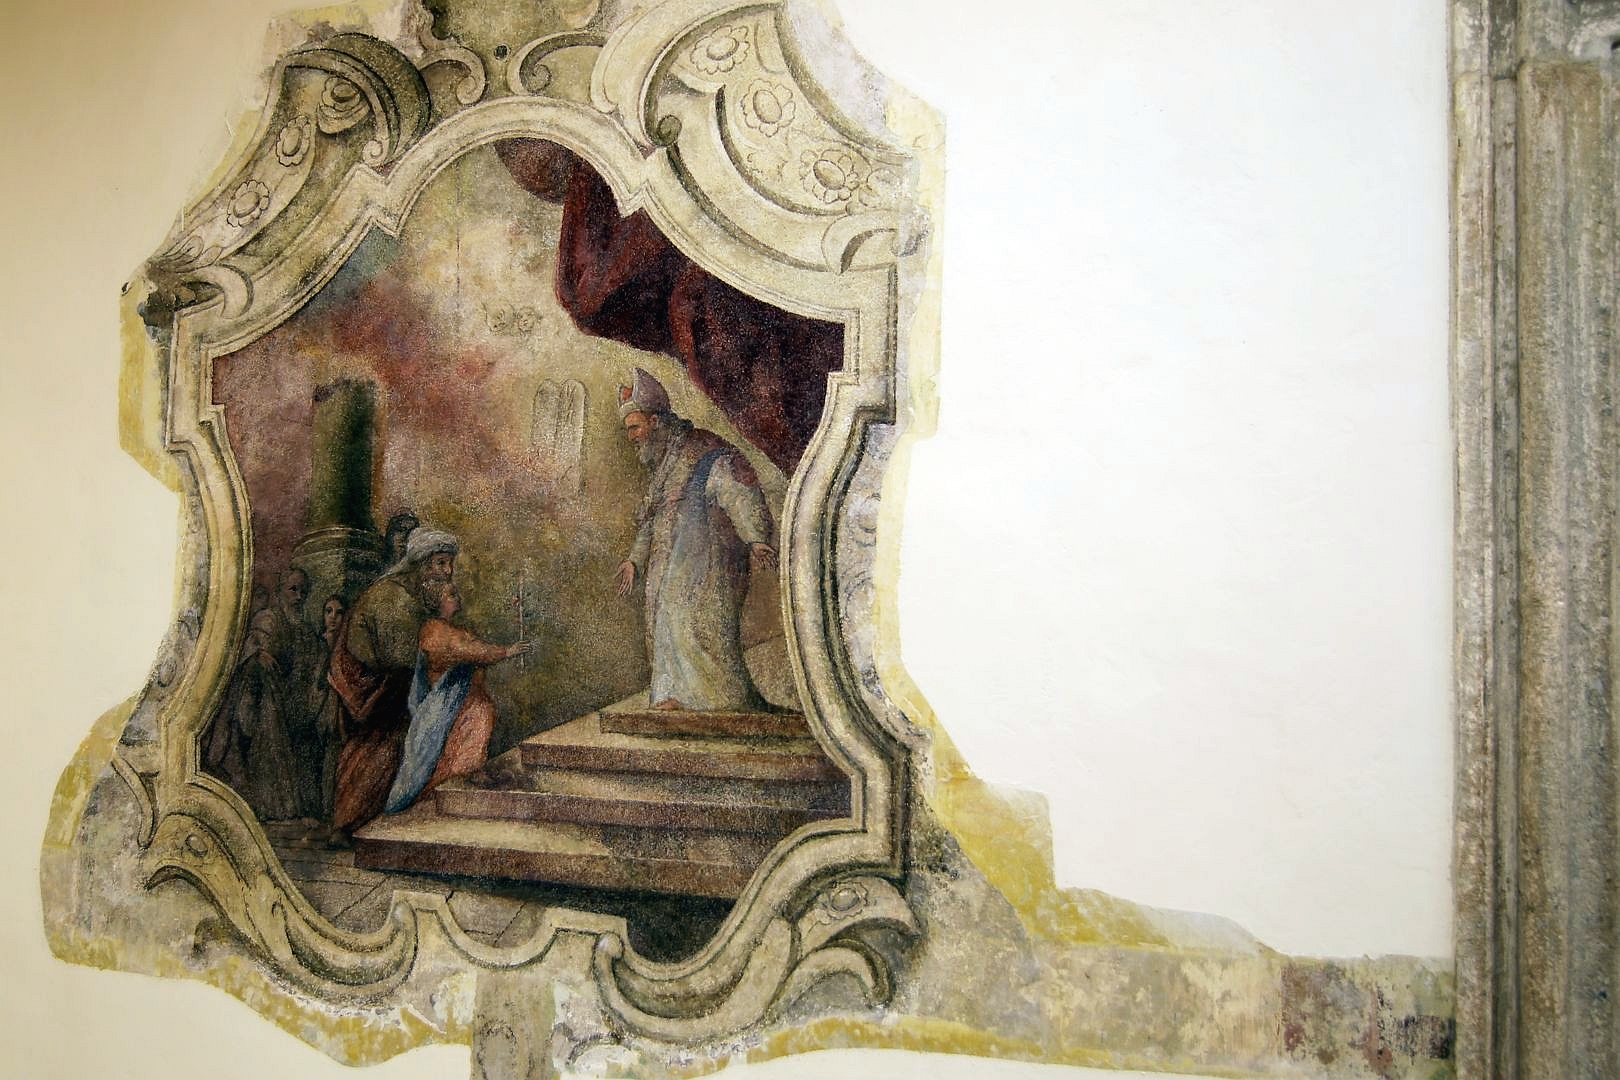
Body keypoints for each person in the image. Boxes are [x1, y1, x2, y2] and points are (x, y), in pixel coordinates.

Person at [614, 368, 776, 711]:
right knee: (664, 622)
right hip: (668, 561)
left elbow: (737, 488)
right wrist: (634, 560)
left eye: (635, 427)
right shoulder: (663, 467)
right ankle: (674, 696)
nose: (631, 437)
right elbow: (650, 519)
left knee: (695, 624)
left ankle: (718, 701)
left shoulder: (701, 449)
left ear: (655, 422)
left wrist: (755, 537)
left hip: (706, 559)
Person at [328, 528, 457, 834]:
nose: (448, 572)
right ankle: (349, 825)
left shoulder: (409, 596)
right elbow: (401, 660)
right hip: (371, 692)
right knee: (379, 753)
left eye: (449, 563)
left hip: (387, 688)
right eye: (441, 563)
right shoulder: (395, 598)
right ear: (422, 564)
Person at [384, 580, 532, 814]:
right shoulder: (433, 631)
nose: (457, 598)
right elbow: (465, 650)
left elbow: (471, 646)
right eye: (451, 595)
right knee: (477, 714)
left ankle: (469, 771)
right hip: (446, 707)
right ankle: (459, 777)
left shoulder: (457, 630)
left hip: (464, 701)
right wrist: (507, 651)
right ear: (438, 601)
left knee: (481, 710)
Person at [204, 567, 321, 821]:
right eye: (293, 589)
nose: (298, 596)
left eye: (303, 591)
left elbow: (310, 666)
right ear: (280, 592)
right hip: (263, 702)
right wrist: (258, 655)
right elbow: (249, 648)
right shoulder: (268, 619)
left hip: (294, 703)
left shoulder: (305, 630)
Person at [307, 594, 347, 823]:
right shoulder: (316, 645)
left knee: (335, 758)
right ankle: (318, 811)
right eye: (328, 611)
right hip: (319, 707)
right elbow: (315, 681)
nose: (333, 617)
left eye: (339, 613)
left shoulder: (348, 646)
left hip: (339, 709)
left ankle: (331, 812)